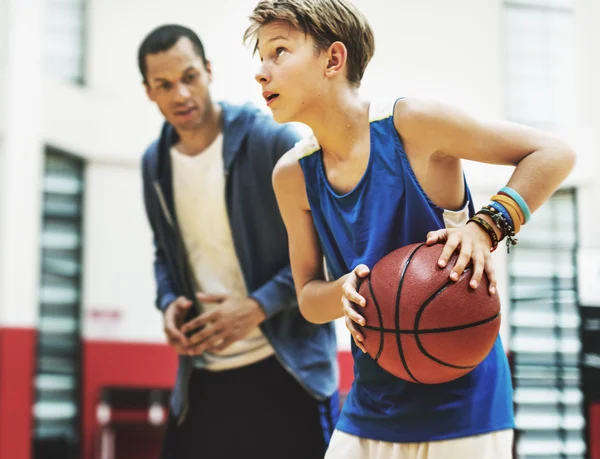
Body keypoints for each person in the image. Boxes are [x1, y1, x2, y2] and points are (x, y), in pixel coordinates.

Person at [244, 1, 576, 458]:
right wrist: (343, 290)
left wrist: (485, 228)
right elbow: (307, 299)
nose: (262, 72)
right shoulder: (292, 176)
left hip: (465, 404)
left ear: (333, 60)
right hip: (371, 405)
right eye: (260, 57)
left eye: (278, 51)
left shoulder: (413, 125)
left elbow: (553, 153)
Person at [139, 24, 339, 459]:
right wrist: (169, 299)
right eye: (164, 85)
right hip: (202, 378)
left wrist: (256, 306)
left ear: (209, 71)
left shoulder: (273, 143)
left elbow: (329, 248)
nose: (181, 95)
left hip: (286, 370)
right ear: (148, 92)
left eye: (189, 77)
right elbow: (164, 251)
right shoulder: (154, 163)